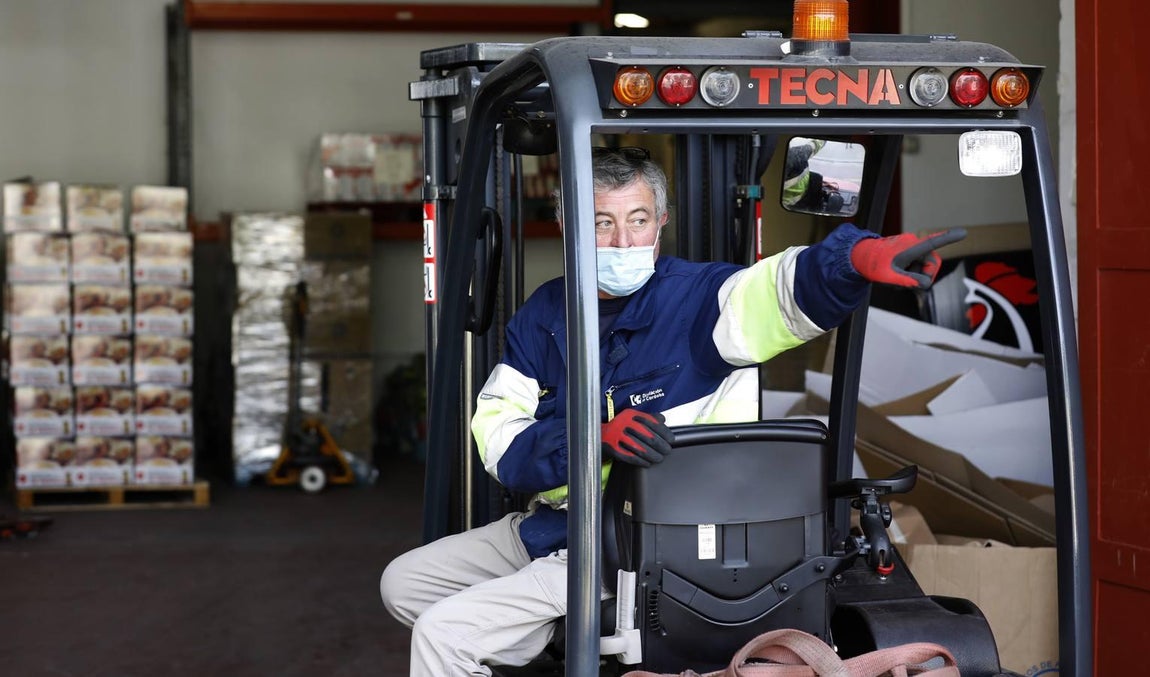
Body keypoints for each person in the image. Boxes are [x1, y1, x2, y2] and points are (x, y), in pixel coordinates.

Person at [380, 146, 963, 676]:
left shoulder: (703, 303)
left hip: (646, 545)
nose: (622, 242)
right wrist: (589, 439)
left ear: (661, 222)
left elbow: (784, 290)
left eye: (636, 220)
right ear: (568, 228)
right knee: (404, 584)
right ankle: (545, 628)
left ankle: (536, 621)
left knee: (444, 634)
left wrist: (855, 257)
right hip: (556, 523)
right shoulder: (544, 314)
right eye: (601, 223)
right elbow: (500, 441)